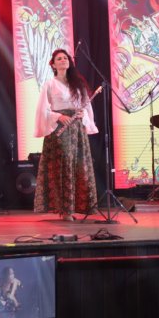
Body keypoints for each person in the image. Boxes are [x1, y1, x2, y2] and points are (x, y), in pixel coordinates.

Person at [33, 48, 98, 221]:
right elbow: (43, 110)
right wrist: (58, 116)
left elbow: (86, 106)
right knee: (64, 163)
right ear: (53, 65)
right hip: (59, 128)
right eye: (59, 59)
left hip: (76, 128)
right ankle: (65, 210)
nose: (63, 60)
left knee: (79, 165)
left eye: (65, 58)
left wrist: (83, 115)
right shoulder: (49, 84)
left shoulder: (78, 84)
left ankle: (77, 207)